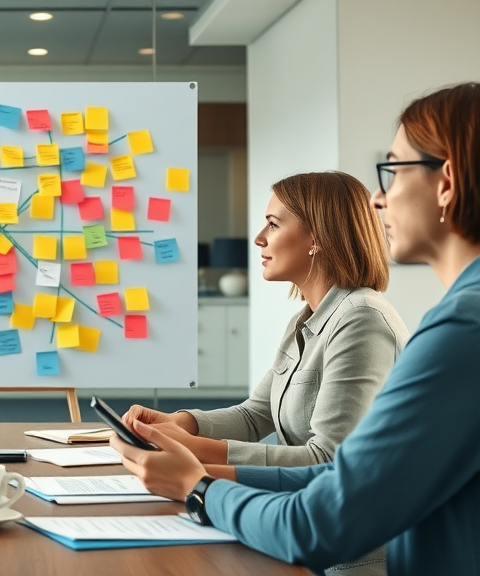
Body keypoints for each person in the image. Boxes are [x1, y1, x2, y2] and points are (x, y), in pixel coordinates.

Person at [111, 82, 480, 576]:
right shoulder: (312, 317)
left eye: (391, 170)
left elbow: (326, 500)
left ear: (448, 181)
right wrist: (188, 433)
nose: (378, 197)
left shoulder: (446, 328)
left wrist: (199, 484)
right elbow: (271, 423)